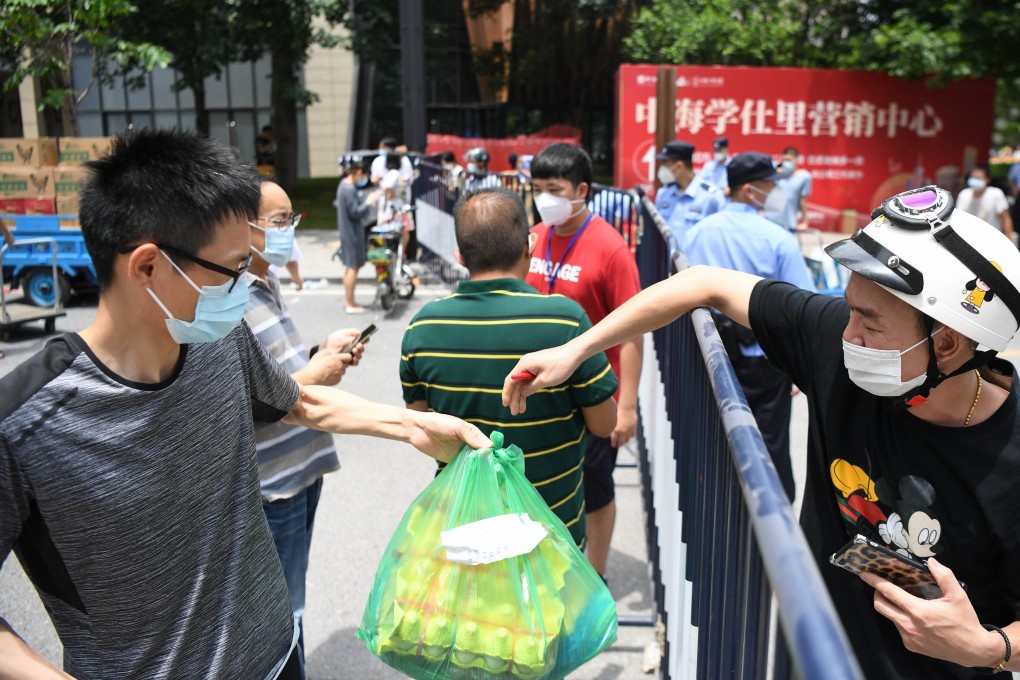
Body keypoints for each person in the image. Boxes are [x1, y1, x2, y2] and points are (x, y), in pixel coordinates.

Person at [0, 129, 490, 679]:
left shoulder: (221, 340)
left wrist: (411, 425)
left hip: (276, 657)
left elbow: (298, 402)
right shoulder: (25, 422)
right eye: (232, 269)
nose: (245, 282)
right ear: (147, 267)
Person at [504, 184, 1020, 679]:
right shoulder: (837, 345)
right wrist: (577, 350)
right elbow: (702, 283)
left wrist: (986, 648)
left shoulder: (1011, 459)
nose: (847, 335)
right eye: (848, 309)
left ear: (947, 345)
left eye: (869, 324)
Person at [400, 187, 618, 548]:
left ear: (459, 255)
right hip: (553, 536)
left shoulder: (422, 326)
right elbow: (604, 424)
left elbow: (422, 425)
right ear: (529, 246)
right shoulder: (566, 321)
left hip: (465, 533)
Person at [246, 177, 366, 679]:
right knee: (283, 608)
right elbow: (247, 399)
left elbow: (276, 373)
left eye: (291, 220)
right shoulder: (226, 301)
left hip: (303, 467)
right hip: (274, 482)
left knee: (290, 594)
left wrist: (320, 354)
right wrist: (315, 374)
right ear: (241, 225)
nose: (288, 231)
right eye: (278, 221)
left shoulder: (266, 280)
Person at [525, 142, 643, 583]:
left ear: (581, 191)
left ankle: (595, 575)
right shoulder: (534, 237)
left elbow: (632, 332)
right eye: (537, 188)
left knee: (595, 486)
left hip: (593, 394)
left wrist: (626, 406)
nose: (543, 199)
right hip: (540, 391)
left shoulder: (610, 248)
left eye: (553, 189)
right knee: (539, 483)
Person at [681, 152, 815, 500]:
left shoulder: (697, 233)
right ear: (749, 190)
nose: (775, 192)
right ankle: (771, 513)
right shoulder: (777, 239)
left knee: (712, 435)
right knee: (769, 442)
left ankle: (716, 502)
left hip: (709, 350)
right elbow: (803, 306)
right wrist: (798, 365)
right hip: (765, 358)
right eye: (769, 185)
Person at [335, 157, 383, 313]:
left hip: (348, 232)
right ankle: (350, 303)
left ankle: (350, 301)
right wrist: (368, 202)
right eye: (365, 175)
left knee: (350, 267)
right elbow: (355, 212)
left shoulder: (344, 185)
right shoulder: (349, 189)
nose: (365, 179)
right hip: (352, 234)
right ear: (359, 172)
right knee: (352, 268)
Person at [654, 140, 724, 239]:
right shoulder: (663, 194)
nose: (662, 168)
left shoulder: (711, 196)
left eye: (665, 164)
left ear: (678, 166)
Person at [957, 165, 1014, 243]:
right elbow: (959, 219)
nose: (975, 180)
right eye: (973, 178)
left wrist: (1009, 240)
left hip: (992, 240)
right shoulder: (963, 194)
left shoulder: (996, 194)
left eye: (978, 178)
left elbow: (1005, 218)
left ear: (987, 179)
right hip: (969, 239)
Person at [775, 146, 812, 232]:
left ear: (796, 160)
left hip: (789, 222)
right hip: (772, 220)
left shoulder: (804, 177)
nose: (786, 163)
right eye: (784, 160)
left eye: (789, 160)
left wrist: (805, 222)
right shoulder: (777, 175)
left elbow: (803, 201)